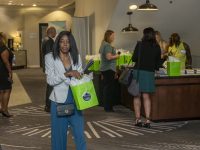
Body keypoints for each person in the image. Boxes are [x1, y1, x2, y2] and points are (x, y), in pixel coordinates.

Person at [45, 31, 86, 150]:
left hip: (75, 99)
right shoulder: (50, 57)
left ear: (71, 44)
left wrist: (83, 75)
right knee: (59, 137)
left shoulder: (76, 55)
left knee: (79, 134)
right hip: (59, 101)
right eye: (62, 41)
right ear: (58, 43)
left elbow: (79, 74)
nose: (65, 44)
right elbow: (50, 80)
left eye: (68, 42)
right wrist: (67, 74)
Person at [131, 27, 161, 128]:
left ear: (144, 34)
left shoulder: (139, 44)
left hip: (138, 72)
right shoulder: (156, 46)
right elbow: (158, 64)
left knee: (137, 95)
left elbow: (134, 58)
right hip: (149, 73)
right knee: (146, 96)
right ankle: (148, 121)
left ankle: (138, 119)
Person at [99, 30, 120, 112]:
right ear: (109, 36)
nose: (114, 38)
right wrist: (117, 56)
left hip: (105, 68)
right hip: (109, 69)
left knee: (106, 88)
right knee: (109, 89)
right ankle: (108, 107)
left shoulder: (103, 44)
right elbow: (108, 57)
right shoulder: (107, 45)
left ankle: (107, 106)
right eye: (113, 36)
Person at [41, 26, 56, 112]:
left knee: (50, 86)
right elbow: (50, 55)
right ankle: (49, 106)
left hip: (47, 66)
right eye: (55, 32)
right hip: (50, 67)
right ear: (52, 32)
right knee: (50, 87)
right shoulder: (49, 41)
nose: (55, 33)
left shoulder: (44, 40)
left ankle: (48, 105)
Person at [0, 32, 14, 117]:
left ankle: (2, 108)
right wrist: (10, 72)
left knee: (1, 90)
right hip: (3, 71)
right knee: (7, 90)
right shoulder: (3, 48)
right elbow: (6, 62)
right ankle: (5, 110)